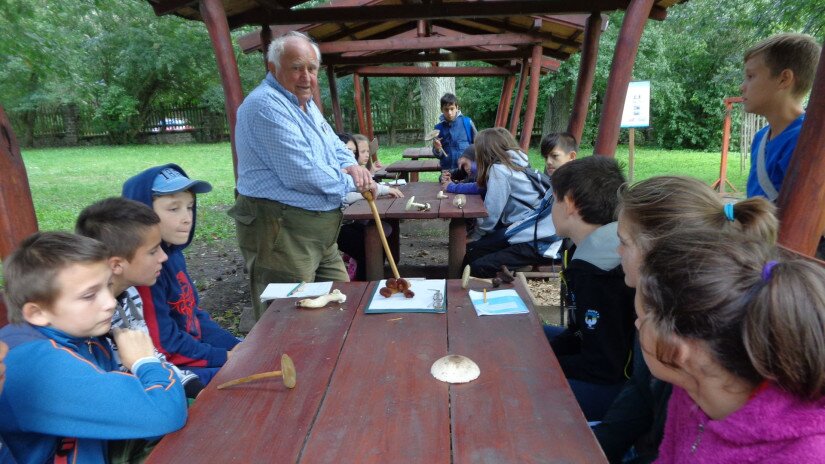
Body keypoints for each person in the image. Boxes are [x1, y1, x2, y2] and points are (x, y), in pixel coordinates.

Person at [596, 176, 778, 463]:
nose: (617, 252)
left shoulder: (693, 337)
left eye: (624, 242)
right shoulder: (656, 310)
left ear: (659, 254)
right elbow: (642, 395)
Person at [0, 231, 187, 463]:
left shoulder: (83, 333)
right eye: (89, 296)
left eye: (108, 286)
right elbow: (165, 413)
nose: (110, 303)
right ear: (37, 313)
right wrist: (144, 361)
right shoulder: (38, 364)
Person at [637, 231, 825, 461]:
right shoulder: (693, 387)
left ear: (678, 348)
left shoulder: (804, 455)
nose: (637, 323)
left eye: (646, 314)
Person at [229, 31, 374, 320]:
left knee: (339, 305)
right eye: (296, 68)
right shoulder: (265, 106)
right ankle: (285, 364)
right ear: (273, 68)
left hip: (320, 235)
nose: (306, 76)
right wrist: (357, 182)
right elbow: (305, 174)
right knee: (287, 318)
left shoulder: (304, 104)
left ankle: (329, 363)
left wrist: (354, 166)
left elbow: (335, 145)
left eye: (312, 68)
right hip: (282, 232)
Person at [76, 196, 205, 399]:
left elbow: (152, 356)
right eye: (153, 251)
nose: (163, 257)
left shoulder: (130, 294)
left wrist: (193, 386)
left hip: (156, 391)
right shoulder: (86, 319)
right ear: (116, 265)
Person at [123, 164, 241, 385]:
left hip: (194, 352)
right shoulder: (146, 272)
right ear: (142, 213)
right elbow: (164, 345)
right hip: (171, 370)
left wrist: (234, 345)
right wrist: (225, 357)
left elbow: (193, 315)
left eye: (190, 207)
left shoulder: (173, 255)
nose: (187, 218)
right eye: (174, 209)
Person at [545, 155, 635, 422]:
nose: (552, 207)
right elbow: (581, 333)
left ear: (570, 202)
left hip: (618, 390)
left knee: (522, 387)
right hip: (604, 364)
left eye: (554, 199)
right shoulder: (591, 247)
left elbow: (604, 365)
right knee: (531, 335)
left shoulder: (601, 270)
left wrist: (544, 365)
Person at [742, 33, 820, 201]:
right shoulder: (760, 137)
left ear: (784, 79)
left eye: (750, 76)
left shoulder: (806, 142)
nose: (742, 87)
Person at [461, 128, 545, 276]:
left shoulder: (499, 169)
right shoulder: (518, 161)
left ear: (485, 152)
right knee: (475, 251)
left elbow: (490, 214)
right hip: (533, 227)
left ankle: (461, 290)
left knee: (472, 257)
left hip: (529, 235)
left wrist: (474, 236)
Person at [337, 135, 403, 281]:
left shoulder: (350, 170)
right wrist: (367, 194)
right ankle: (364, 284)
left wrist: (379, 189)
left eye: (353, 153)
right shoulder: (335, 171)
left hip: (348, 222)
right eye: (347, 151)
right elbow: (343, 196)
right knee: (368, 249)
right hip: (336, 227)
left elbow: (363, 186)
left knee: (378, 241)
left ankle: (376, 277)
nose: (350, 157)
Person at [432, 92, 477, 171]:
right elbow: (438, 155)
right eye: (446, 109)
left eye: (452, 109)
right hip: (447, 171)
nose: (449, 113)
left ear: (457, 108)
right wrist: (437, 149)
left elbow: (477, 145)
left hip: (467, 170)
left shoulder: (467, 122)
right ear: (441, 110)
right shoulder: (437, 129)